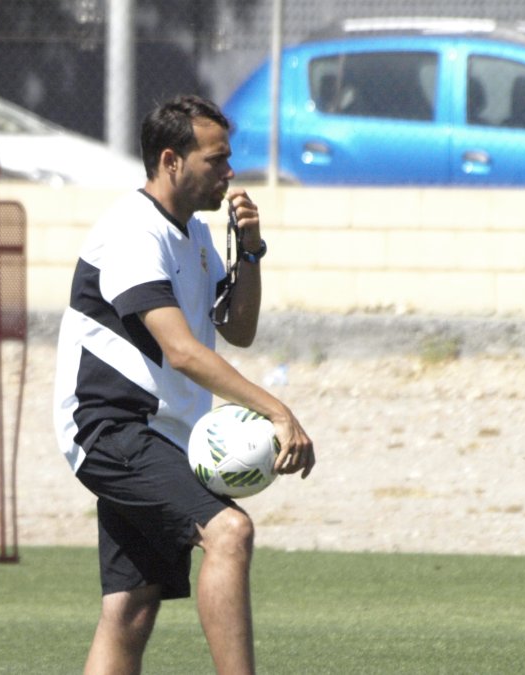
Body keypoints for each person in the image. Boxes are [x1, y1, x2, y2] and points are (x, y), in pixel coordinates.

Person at [52, 94, 315, 674]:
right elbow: (181, 350)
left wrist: (250, 253)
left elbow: (237, 329)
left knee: (131, 608)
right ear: (171, 160)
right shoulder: (131, 231)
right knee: (228, 531)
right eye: (215, 160)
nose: (228, 172)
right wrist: (277, 411)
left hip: (166, 436)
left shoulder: (193, 235)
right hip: (110, 426)